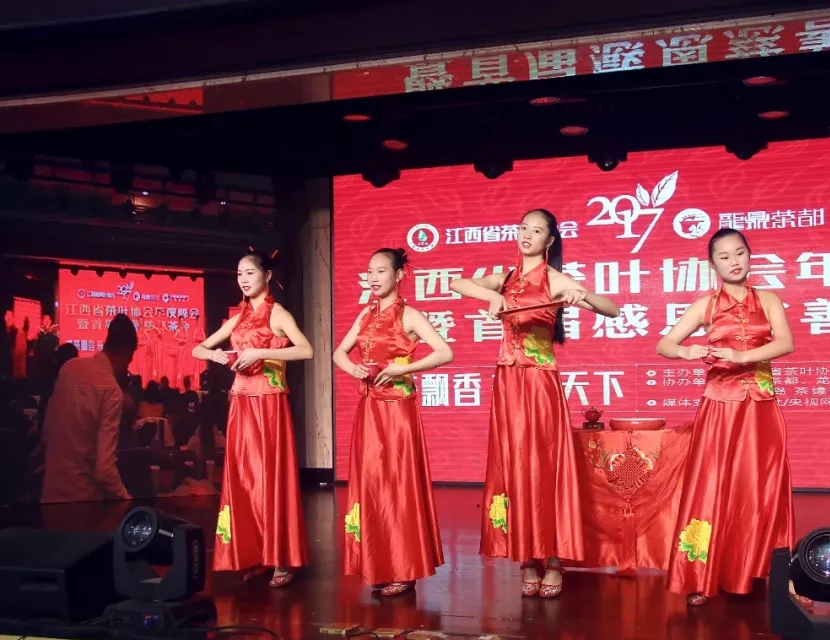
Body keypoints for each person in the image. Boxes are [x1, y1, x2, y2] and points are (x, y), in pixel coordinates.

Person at [451, 209, 618, 598]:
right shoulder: (506, 277)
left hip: (539, 383)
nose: (527, 234)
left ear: (550, 240)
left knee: (544, 465)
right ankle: (527, 556)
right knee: (513, 464)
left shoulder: (555, 280)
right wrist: (492, 295)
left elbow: (612, 309)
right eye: (523, 228)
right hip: (508, 383)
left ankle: (554, 558)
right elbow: (459, 283)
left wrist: (582, 295)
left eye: (537, 230)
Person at [657, 228, 796, 605]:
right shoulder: (706, 305)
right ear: (712, 264)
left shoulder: (768, 298)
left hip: (761, 406)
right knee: (713, 484)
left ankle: (764, 567)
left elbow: (785, 343)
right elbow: (664, 343)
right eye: (724, 256)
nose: (734, 262)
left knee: (762, 485)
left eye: (739, 253)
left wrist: (742, 356)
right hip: (719, 406)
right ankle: (702, 574)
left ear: (749, 256)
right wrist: (686, 352)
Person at [333, 248, 453, 596]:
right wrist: (353, 368)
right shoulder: (366, 314)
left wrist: (405, 369)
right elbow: (339, 352)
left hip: (398, 412)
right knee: (372, 485)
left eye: (381, 271)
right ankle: (379, 562)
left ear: (399, 275)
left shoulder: (410, 316)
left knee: (397, 485)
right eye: (369, 271)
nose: (373, 277)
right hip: (369, 409)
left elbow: (445, 352)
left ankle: (404, 567)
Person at [193, 250, 313, 588]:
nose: (243, 279)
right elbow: (198, 349)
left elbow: (306, 349)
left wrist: (261, 352)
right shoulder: (239, 319)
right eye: (239, 274)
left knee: (271, 479)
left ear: (267, 276)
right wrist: (216, 355)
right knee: (245, 480)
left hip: (269, 405)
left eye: (250, 273)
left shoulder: (278, 314)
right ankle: (257, 552)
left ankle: (281, 558)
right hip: (241, 405)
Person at [41, 314, 137, 504]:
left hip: (50, 495)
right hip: (82, 501)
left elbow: (47, 432)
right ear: (125, 351)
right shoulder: (111, 389)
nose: (126, 369)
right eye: (128, 360)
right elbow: (104, 470)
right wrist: (126, 500)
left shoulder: (69, 368)